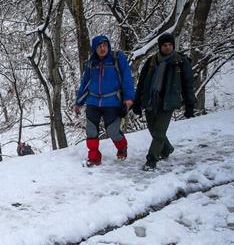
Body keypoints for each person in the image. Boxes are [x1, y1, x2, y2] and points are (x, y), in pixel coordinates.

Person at [132, 33, 196, 171]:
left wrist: (189, 104)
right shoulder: (152, 61)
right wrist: (137, 101)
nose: (167, 47)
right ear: (160, 47)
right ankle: (167, 149)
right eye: (164, 45)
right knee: (153, 129)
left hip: (168, 101)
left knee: (159, 131)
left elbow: (188, 84)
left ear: (173, 45)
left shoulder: (180, 61)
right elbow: (142, 83)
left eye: (169, 45)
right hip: (150, 100)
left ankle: (151, 161)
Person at [74, 35, 135, 166]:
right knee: (91, 131)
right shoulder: (91, 63)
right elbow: (85, 83)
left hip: (112, 101)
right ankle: (94, 157)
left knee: (113, 131)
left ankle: (122, 147)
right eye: (99, 46)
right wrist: (78, 102)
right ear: (94, 48)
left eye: (105, 45)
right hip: (93, 101)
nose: (103, 48)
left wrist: (128, 99)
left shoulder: (117, 59)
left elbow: (127, 78)